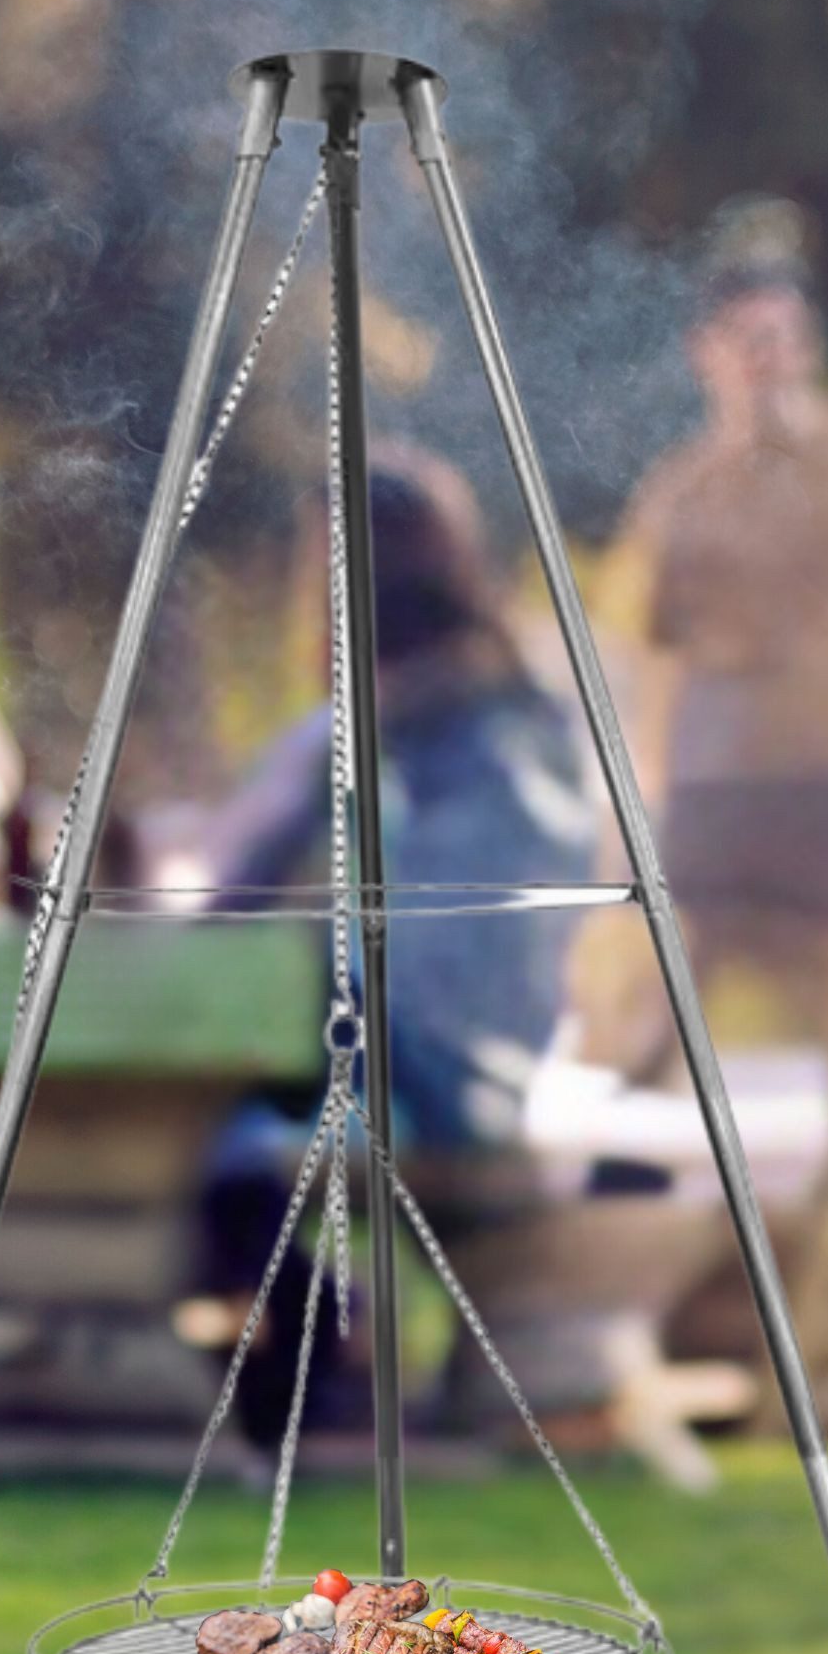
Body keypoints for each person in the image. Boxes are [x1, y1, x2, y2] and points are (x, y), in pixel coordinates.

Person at [599, 199, 828, 1455]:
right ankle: (617, 1324)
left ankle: (813, 1356)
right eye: (740, 342)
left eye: (782, 337)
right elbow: (643, 660)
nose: (766, 362)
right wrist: (638, 828)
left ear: (805, 344)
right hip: (716, 807)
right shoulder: (680, 497)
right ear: (710, 356)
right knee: (661, 1048)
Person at [199, 450, 597, 1431]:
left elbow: (229, 891)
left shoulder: (365, 722)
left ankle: (330, 1347)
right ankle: (328, 1347)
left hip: (411, 1079)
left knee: (188, 1145)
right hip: (502, 1067)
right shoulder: (528, 704)